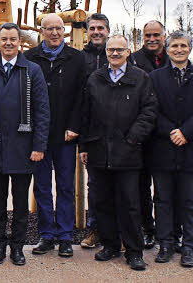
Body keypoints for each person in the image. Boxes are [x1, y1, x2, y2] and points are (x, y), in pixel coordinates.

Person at [78, 34, 157, 272]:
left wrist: (133, 137)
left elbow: (149, 111)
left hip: (128, 152)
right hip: (98, 150)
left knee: (130, 203)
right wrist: (84, 146)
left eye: (119, 50)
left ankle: (134, 251)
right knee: (102, 202)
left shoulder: (141, 78)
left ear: (128, 52)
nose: (114, 54)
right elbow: (86, 114)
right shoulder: (96, 78)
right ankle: (110, 245)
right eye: (111, 50)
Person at [0, 23, 50, 267]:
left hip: (23, 149)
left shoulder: (32, 71)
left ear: (20, 42)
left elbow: (42, 111)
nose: (8, 43)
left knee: (19, 205)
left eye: (13, 39)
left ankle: (17, 248)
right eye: (4, 38)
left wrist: (39, 146)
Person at [147, 32, 193, 268]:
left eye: (184, 45)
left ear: (190, 49)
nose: (179, 49)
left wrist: (186, 132)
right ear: (167, 50)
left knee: (189, 201)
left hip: (192, 149)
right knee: (163, 200)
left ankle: (188, 247)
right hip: (163, 149)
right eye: (174, 46)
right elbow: (150, 110)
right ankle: (166, 243)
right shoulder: (155, 78)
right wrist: (171, 131)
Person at [24, 14, 87, 258]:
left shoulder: (76, 58)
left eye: (59, 29)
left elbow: (82, 96)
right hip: (39, 136)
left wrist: (74, 126)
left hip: (65, 135)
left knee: (65, 186)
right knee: (40, 187)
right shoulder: (30, 58)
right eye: (49, 29)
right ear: (41, 31)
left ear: (65, 31)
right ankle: (46, 235)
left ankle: (65, 235)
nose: (54, 33)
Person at [129, 20, 166, 249]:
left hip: (166, 135)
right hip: (141, 135)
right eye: (147, 35)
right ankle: (147, 228)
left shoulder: (175, 55)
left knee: (164, 190)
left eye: (156, 35)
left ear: (164, 35)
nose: (152, 39)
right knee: (141, 188)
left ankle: (168, 232)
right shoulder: (133, 59)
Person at [79, 12, 110, 250]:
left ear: (107, 31)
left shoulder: (117, 54)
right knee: (95, 187)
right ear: (87, 31)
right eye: (93, 28)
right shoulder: (82, 59)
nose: (97, 32)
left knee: (122, 187)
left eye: (101, 28)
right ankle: (95, 229)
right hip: (93, 133)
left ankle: (117, 232)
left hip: (119, 133)